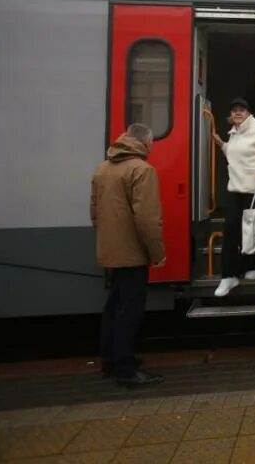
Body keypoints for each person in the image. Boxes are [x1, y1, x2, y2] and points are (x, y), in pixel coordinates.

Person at [91, 123, 166, 387]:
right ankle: (125, 369)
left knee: (113, 306)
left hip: (110, 249)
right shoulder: (142, 170)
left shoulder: (103, 168)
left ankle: (109, 361)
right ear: (145, 143)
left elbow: (94, 211)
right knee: (129, 311)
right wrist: (157, 252)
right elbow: (147, 219)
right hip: (133, 252)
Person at [212, 98, 255, 295]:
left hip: (254, 189)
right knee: (233, 230)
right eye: (234, 111)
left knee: (251, 231)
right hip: (236, 189)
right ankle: (229, 276)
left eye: (241, 110)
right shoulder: (234, 133)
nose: (237, 113)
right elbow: (236, 156)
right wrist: (223, 145)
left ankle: (252, 267)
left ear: (248, 113)